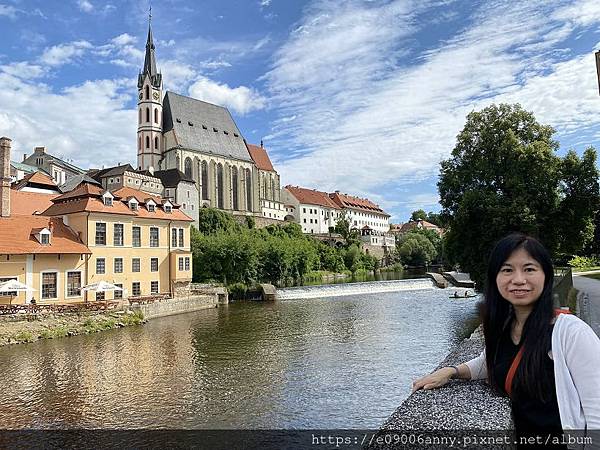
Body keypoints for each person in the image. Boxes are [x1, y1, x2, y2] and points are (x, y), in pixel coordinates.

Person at [412, 233, 600, 446]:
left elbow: (597, 413)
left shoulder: (572, 333)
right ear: (495, 278)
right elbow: (490, 362)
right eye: (507, 270)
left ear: (546, 276)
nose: (518, 280)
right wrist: (451, 371)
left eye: (529, 269)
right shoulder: (504, 326)